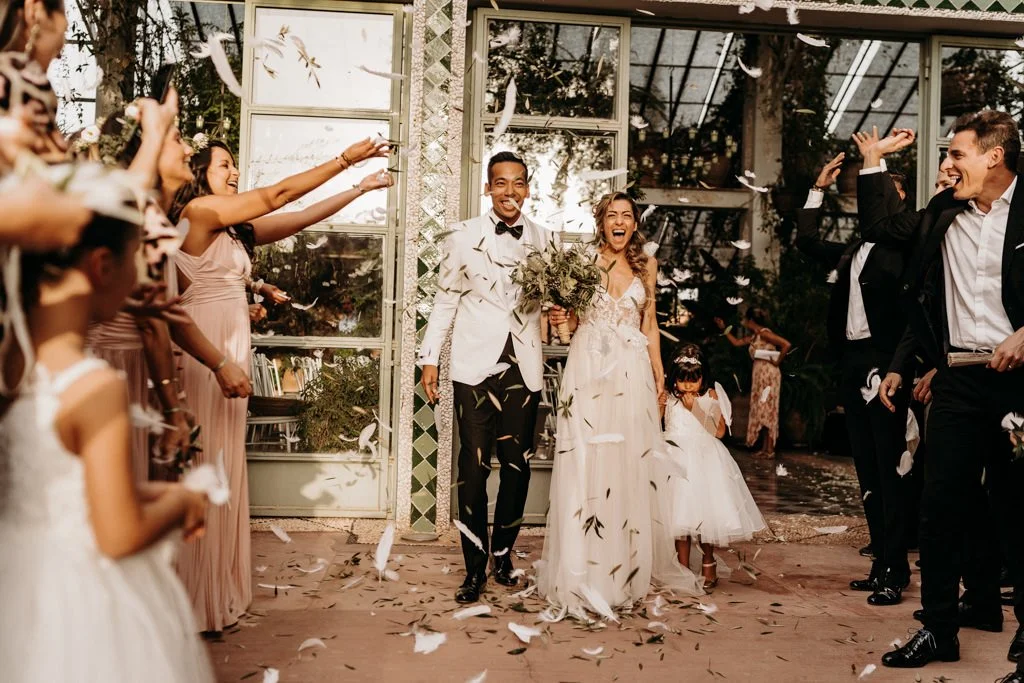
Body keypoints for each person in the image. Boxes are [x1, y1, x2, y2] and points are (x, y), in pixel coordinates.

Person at [0, 166, 214, 681]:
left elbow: (58, 489)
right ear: (102, 265)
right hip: (80, 606)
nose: (146, 269)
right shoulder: (94, 387)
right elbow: (117, 534)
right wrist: (183, 502)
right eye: (139, 253)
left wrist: (146, 494)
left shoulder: (12, 364)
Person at [169, 136, 390, 632]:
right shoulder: (201, 213)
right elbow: (278, 196)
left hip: (230, 352)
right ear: (199, 173)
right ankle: (188, 602)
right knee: (205, 470)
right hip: (204, 357)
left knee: (223, 468)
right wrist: (344, 158)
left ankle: (215, 593)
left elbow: (298, 218)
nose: (233, 173)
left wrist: (358, 188)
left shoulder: (232, 230)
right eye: (224, 165)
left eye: (234, 166)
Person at [856, 114, 1024, 673]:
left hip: (1022, 382)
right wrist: (874, 161)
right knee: (939, 505)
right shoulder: (942, 213)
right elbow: (880, 225)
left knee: (1017, 508)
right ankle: (938, 631)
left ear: (994, 157)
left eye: (958, 154)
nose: (948, 164)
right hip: (957, 380)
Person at [537, 191, 701, 619]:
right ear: (601, 221)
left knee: (628, 467)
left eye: (627, 215)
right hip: (588, 370)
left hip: (631, 376)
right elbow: (569, 325)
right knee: (587, 465)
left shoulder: (647, 265)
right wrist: (561, 319)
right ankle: (582, 571)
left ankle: (623, 571)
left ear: (634, 224)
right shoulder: (581, 263)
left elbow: (649, 324)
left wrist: (659, 377)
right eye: (612, 214)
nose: (620, 221)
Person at [419, 151, 553, 604]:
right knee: (473, 472)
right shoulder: (462, 238)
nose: (509, 192)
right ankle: (473, 569)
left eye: (517, 183)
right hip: (474, 369)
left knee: (517, 471)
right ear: (488, 188)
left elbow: (553, 303)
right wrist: (430, 358)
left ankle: (504, 555)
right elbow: (444, 301)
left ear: (528, 188)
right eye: (501, 183)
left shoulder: (546, 239)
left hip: (524, 367)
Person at [794, 144, 914, 606]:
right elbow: (805, 242)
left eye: (887, 194)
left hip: (886, 368)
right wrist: (816, 190)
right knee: (865, 469)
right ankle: (881, 562)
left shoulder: (906, 251)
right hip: (852, 365)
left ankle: (896, 570)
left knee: (889, 470)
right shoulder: (850, 252)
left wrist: (902, 368)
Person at [662, 344, 766, 589]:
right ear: (673, 378)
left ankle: (709, 563)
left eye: (693, 380)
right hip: (675, 459)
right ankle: (683, 570)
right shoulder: (667, 398)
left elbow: (718, 431)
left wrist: (694, 408)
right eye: (682, 380)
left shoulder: (710, 396)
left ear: (702, 377)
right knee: (680, 519)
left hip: (704, 461)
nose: (688, 386)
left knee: (705, 519)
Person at [715, 308, 791, 457]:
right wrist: (724, 329)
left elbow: (786, 344)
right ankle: (764, 448)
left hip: (768, 375)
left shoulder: (764, 333)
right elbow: (737, 342)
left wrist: (777, 362)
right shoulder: (755, 336)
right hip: (759, 376)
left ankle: (770, 449)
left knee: (768, 409)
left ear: (751, 321)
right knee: (761, 409)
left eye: (745, 320)